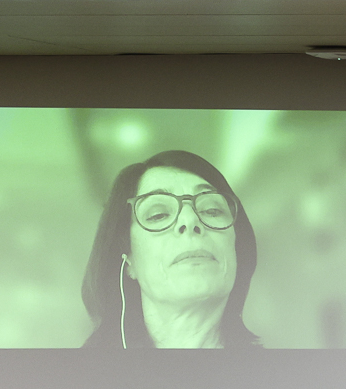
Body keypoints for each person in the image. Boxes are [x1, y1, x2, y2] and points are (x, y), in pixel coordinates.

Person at [80, 150, 261, 349]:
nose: (190, 220)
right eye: (158, 215)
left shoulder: (275, 377)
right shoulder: (79, 377)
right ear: (128, 257)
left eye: (212, 210)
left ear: (236, 246)